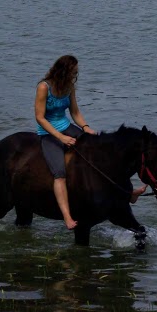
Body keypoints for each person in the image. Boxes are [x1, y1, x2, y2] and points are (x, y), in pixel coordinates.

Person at [35, 55, 99, 230]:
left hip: (67, 126)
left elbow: (75, 112)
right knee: (59, 173)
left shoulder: (69, 87)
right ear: (63, 71)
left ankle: (129, 194)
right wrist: (61, 137)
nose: (75, 76)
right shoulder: (44, 87)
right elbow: (40, 118)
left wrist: (85, 127)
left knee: (97, 153)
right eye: (73, 72)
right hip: (48, 132)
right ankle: (67, 217)